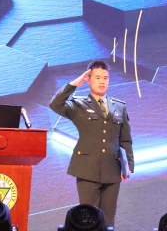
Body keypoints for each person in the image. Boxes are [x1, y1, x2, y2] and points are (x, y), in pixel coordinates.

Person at [49, 60, 134, 229]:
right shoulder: (78, 104)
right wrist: (75, 84)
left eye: (105, 78)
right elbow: (55, 104)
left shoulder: (119, 106)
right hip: (87, 169)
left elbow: (125, 139)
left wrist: (128, 165)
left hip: (112, 169)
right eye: (97, 77)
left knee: (108, 220)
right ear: (88, 79)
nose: (102, 81)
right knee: (88, 219)